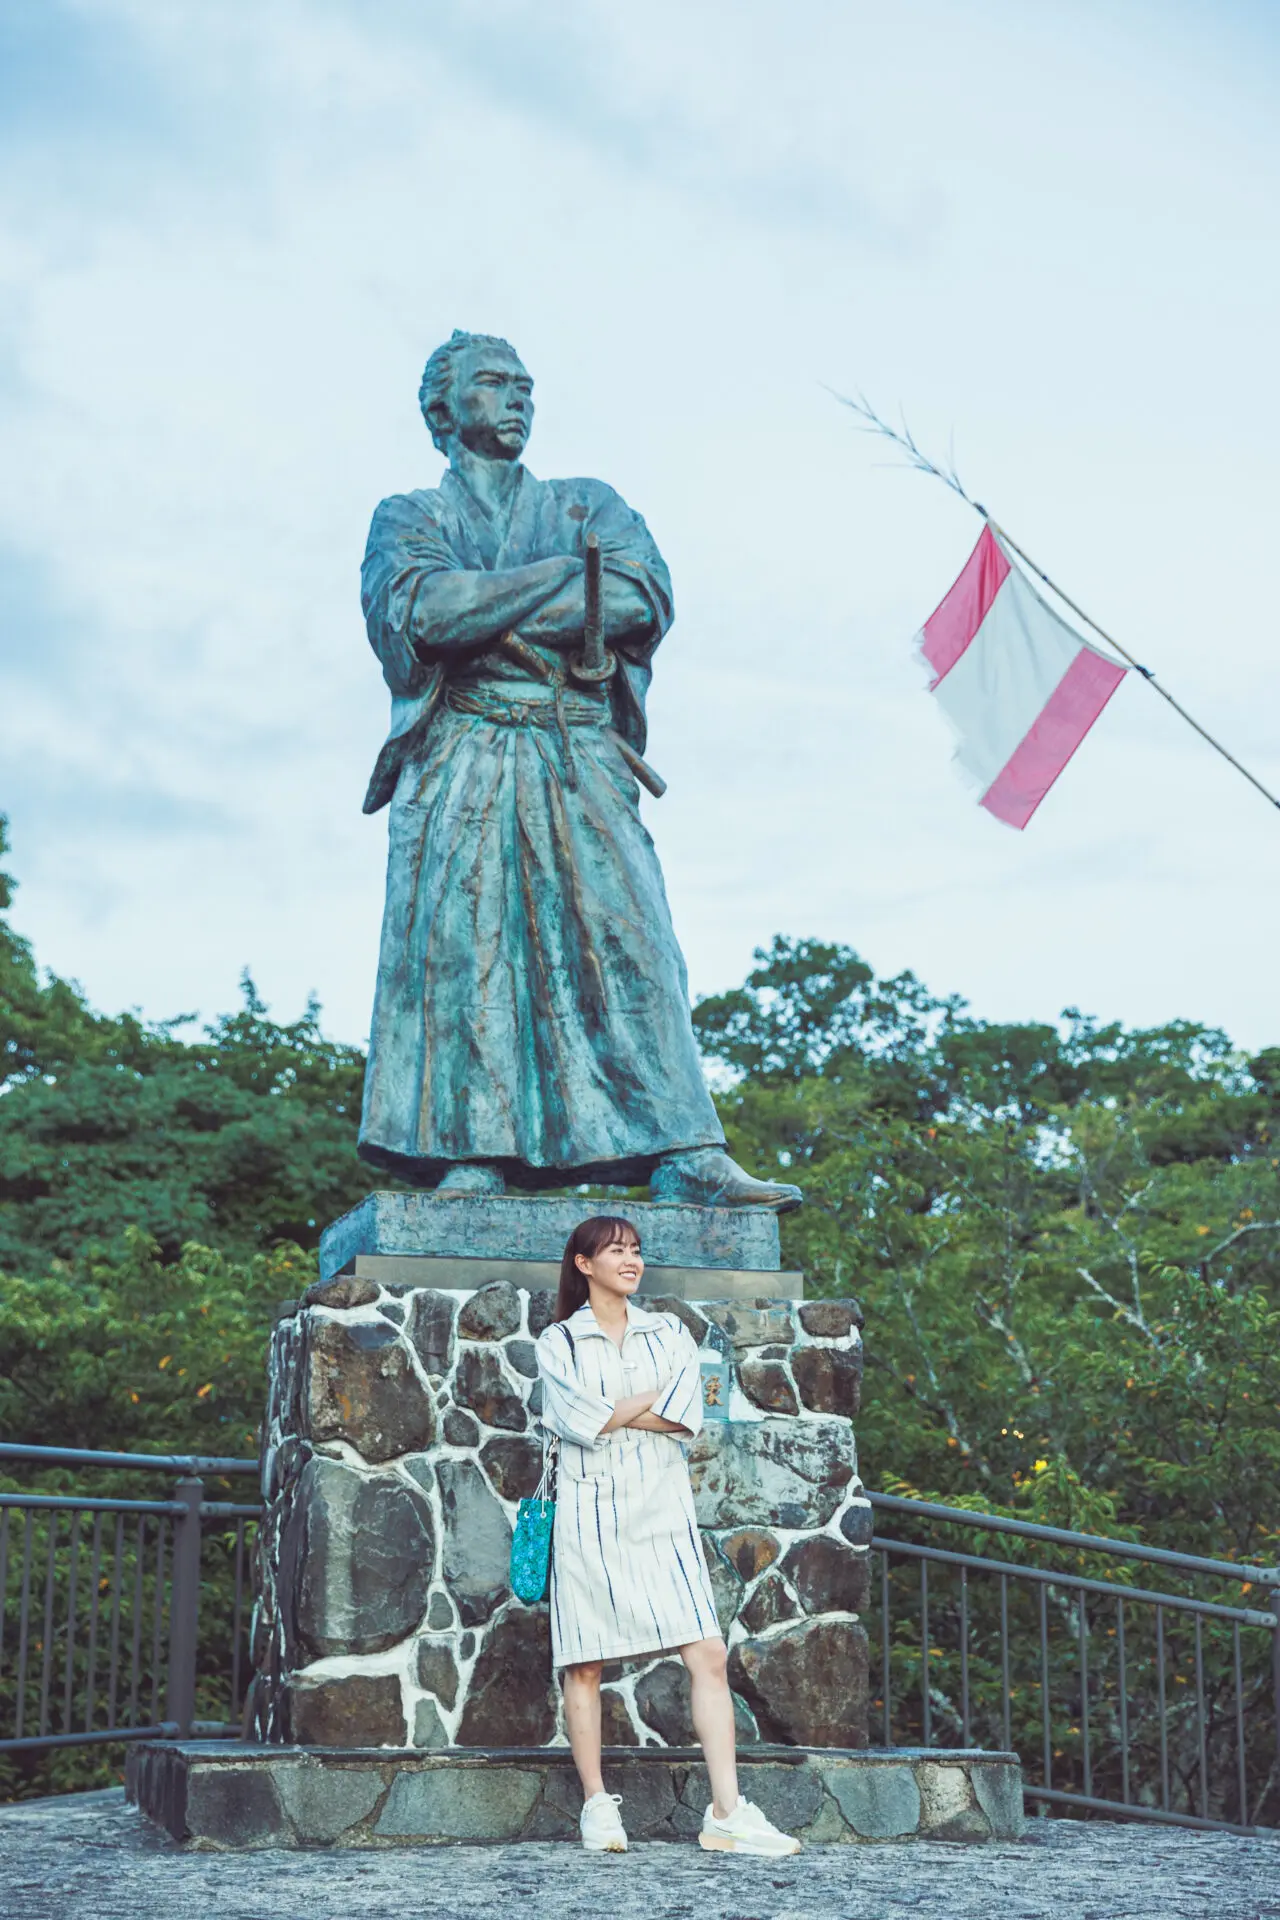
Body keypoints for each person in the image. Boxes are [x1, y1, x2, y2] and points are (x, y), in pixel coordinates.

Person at [357, 328, 801, 1213]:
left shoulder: (587, 503)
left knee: (632, 941)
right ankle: (472, 1151)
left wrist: (495, 605)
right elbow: (426, 614)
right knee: (468, 949)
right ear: (443, 408)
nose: (517, 397)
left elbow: (638, 597)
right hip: (465, 751)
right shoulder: (409, 518)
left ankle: (686, 1150)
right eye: (493, 382)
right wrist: (565, 578)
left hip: (577, 749)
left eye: (525, 384)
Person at [536, 1214, 801, 1856]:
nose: (631, 1260)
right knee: (585, 1661)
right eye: (616, 1251)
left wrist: (608, 1413)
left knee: (707, 1652)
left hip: (663, 1507)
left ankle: (726, 1813)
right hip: (589, 1510)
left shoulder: (670, 1332)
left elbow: (686, 1413)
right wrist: (636, 1406)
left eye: (636, 1250)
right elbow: (573, 1418)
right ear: (584, 1264)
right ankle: (597, 1806)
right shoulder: (559, 1341)